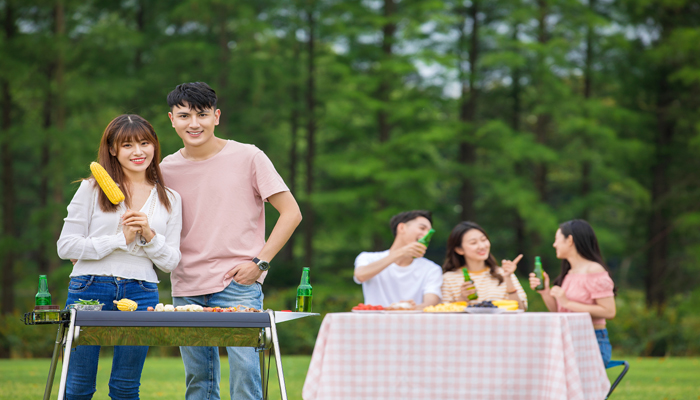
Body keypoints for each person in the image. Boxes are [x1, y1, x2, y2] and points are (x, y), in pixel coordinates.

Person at [160, 82, 302, 400]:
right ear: (172, 120)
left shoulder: (248, 156)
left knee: (246, 376)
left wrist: (259, 263)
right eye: (184, 116)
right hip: (186, 286)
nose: (193, 123)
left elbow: (291, 213)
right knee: (198, 380)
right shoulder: (165, 169)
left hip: (238, 284)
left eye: (202, 114)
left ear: (217, 116)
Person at [57, 114, 182, 400]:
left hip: (142, 290)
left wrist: (149, 235)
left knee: (126, 388)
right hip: (89, 286)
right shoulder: (91, 188)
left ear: (154, 146)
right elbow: (66, 246)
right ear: (113, 149)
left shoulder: (170, 198)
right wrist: (118, 240)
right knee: (78, 385)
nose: (138, 152)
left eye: (144, 143)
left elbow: (170, 261)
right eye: (127, 145)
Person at [528, 219, 616, 367]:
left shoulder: (594, 270)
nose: (554, 244)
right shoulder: (570, 273)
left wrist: (568, 302)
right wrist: (545, 291)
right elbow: (560, 310)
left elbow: (609, 311)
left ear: (569, 240)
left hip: (592, 341)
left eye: (557, 240)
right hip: (569, 339)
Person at [353, 210, 442, 309]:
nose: (426, 235)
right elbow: (360, 275)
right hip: (374, 322)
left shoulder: (432, 269)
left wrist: (409, 308)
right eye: (422, 228)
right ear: (402, 228)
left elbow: (430, 304)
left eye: (429, 231)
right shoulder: (368, 257)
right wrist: (401, 253)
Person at [441, 221, 528, 309]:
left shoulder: (504, 273)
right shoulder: (449, 278)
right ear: (459, 250)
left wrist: (508, 279)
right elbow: (444, 316)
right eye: (473, 243)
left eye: (483, 240)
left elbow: (521, 309)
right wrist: (462, 299)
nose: (482, 246)